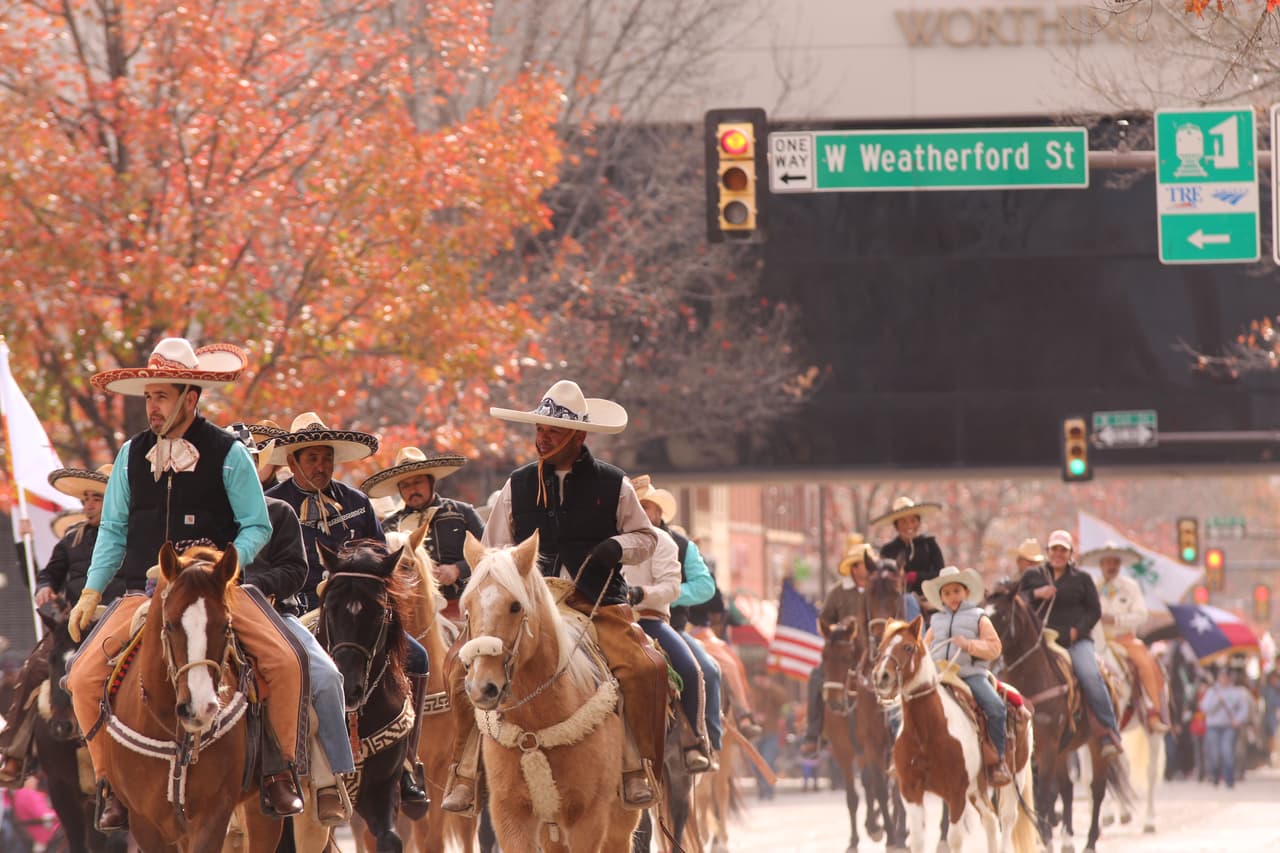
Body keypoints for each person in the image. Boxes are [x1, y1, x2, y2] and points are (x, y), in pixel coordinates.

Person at [63, 337, 307, 830]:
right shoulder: (131, 455)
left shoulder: (230, 452)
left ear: (189, 399)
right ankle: (111, 785)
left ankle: (279, 771)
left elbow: (256, 525)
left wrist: (214, 566)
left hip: (217, 591)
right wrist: (91, 591)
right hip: (143, 594)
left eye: (162, 397)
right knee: (82, 678)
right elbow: (111, 529)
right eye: (148, 397)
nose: (152, 407)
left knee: (286, 660)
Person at [441, 379, 666, 813]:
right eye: (539, 431)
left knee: (644, 667)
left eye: (553, 432)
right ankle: (463, 771)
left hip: (596, 602)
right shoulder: (517, 484)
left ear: (578, 436)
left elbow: (646, 537)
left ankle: (637, 765)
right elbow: (491, 549)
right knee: (455, 670)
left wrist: (617, 547)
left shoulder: (614, 483)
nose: (543, 439)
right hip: (525, 607)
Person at [264, 412, 431, 808]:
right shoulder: (275, 506)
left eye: (326, 458)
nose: (320, 466)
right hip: (298, 610)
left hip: (357, 615)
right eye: (311, 459)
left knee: (420, 657)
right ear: (293, 463)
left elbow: (381, 564)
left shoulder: (356, 503)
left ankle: (408, 760)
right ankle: (276, 766)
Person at [229, 424, 354, 825]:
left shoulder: (279, 512)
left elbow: (296, 570)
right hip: (211, 616)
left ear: (257, 468)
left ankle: (328, 780)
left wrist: (259, 585)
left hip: (272, 614)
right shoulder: (199, 520)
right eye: (229, 466)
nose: (236, 473)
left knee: (326, 677)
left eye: (245, 465)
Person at [0, 464, 112, 786]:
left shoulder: (130, 535)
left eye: (96, 498)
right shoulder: (71, 539)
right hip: (74, 623)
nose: (88, 505)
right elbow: (49, 573)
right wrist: (44, 587)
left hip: (116, 621)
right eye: (86, 499)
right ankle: (14, 752)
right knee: (34, 666)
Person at [633, 475, 726, 755]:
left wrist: (664, 593)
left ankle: (702, 737)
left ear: (658, 512)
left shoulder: (680, 545)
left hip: (666, 622)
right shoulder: (615, 539)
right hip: (619, 620)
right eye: (633, 507)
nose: (639, 513)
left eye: (644, 507)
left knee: (706, 670)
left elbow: (705, 587)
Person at [1017, 529, 1124, 756]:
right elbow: (1018, 600)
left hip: (1074, 640)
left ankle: (1108, 732)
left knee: (1090, 676)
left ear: (1070, 553)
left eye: (1063, 550)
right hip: (1041, 641)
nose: (1058, 554)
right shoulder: (1032, 576)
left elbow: (1094, 611)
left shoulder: (1082, 579)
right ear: (1047, 552)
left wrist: (1078, 631)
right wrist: (1037, 594)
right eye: (1054, 549)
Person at [921, 566, 1011, 786]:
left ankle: (998, 760)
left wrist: (969, 645)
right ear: (941, 597)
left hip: (971, 675)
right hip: (940, 676)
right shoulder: (936, 621)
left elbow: (994, 647)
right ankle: (915, 758)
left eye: (956, 591)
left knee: (996, 708)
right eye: (947, 593)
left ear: (966, 593)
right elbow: (924, 647)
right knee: (913, 705)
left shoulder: (979, 618)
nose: (952, 597)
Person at [361, 446, 482, 608]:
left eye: (418, 482)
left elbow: (488, 551)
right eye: (405, 486)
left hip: (463, 606)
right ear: (399, 491)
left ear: (431, 482)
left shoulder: (462, 513)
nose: (413, 490)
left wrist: (458, 569)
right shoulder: (388, 527)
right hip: (412, 612)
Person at [1078, 541, 1170, 733]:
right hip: (1095, 641)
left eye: (1115, 563)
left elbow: (1141, 614)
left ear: (1119, 565)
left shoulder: (1131, 587)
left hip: (1125, 640)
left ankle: (1152, 709)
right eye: (1107, 562)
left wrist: (1116, 619)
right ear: (1101, 565)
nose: (1111, 566)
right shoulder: (1090, 586)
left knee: (1145, 663)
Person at [801, 535, 872, 755]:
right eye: (864, 564)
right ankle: (813, 734)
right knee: (816, 678)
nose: (868, 568)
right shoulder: (838, 592)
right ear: (854, 567)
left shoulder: (877, 590)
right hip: (843, 653)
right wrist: (839, 627)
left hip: (872, 650)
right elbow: (825, 620)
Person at [873, 496, 945, 599]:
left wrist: (917, 576)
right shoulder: (888, 550)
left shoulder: (929, 545)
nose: (909, 525)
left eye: (913, 520)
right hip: (896, 599)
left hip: (929, 599)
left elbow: (941, 573)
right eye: (903, 522)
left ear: (919, 522)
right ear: (896, 525)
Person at [1201, 666, 1251, 788]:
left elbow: (1244, 709)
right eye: (1221, 676)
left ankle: (1229, 778)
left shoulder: (1237, 692)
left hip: (1229, 726)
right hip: (1213, 726)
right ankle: (1215, 776)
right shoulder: (1212, 692)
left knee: (1227, 751)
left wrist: (1238, 720)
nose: (1223, 679)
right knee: (1214, 754)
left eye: (1225, 676)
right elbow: (1205, 708)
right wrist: (1217, 700)